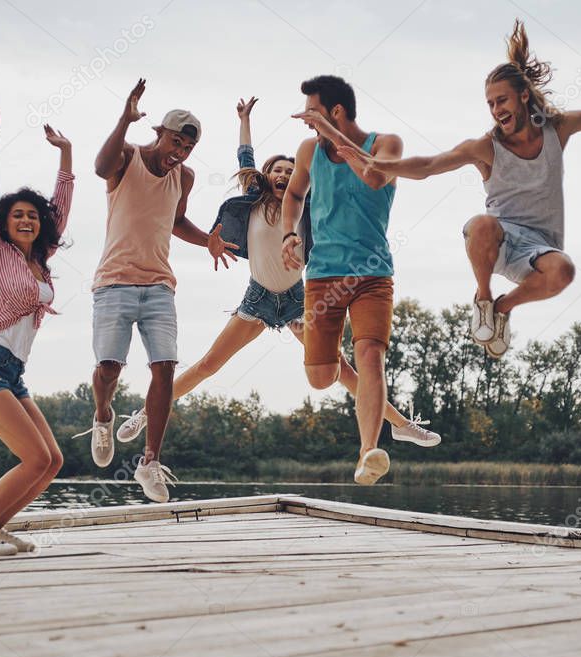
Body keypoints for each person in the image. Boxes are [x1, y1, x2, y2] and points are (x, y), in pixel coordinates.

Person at [340, 20, 581, 358]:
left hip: (540, 246)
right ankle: (484, 299)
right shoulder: (484, 147)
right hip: (499, 241)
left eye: (501, 100)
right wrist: (376, 163)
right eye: (490, 104)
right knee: (481, 223)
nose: (495, 110)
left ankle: (504, 309)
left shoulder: (558, 129)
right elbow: (427, 166)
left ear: (523, 96)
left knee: (565, 271)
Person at [116, 97, 440, 449]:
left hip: (298, 302)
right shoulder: (252, 202)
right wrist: (244, 119)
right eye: (278, 171)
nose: (283, 175)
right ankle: (146, 412)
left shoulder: (307, 209)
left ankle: (402, 425)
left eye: (290, 171)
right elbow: (245, 158)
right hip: (257, 299)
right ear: (267, 177)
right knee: (209, 363)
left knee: (341, 369)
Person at [78, 78, 238, 503]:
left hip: (159, 285)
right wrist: (123, 120)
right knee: (108, 369)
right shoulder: (126, 158)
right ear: (159, 134)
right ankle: (102, 415)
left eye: (187, 148)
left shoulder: (184, 177)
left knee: (164, 367)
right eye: (175, 143)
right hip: (114, 281)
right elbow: (98, 167)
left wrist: (209, 240)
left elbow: (176, 221)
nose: (179, 154)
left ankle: (149, 462)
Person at [0, 95, 73, 556]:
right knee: (35, 458)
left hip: (12, 372)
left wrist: (65, 155)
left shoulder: (41, 259)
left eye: (32, 215)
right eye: (17, 214)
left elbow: (60, 206)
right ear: (4, 223)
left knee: (53, 461)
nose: (26, 219)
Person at [280, 75, 405, 486]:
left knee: (370, 355)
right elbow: (295, 194)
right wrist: (289, 232)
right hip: (322, 276)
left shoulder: (387, 144)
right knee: (320, 377)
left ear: (335, 112)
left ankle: (368, 450)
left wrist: (330, 133)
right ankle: (311, 341)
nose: (305, 122)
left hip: (373, 274)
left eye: (311, 112)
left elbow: (372, 177)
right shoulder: (307, 151)